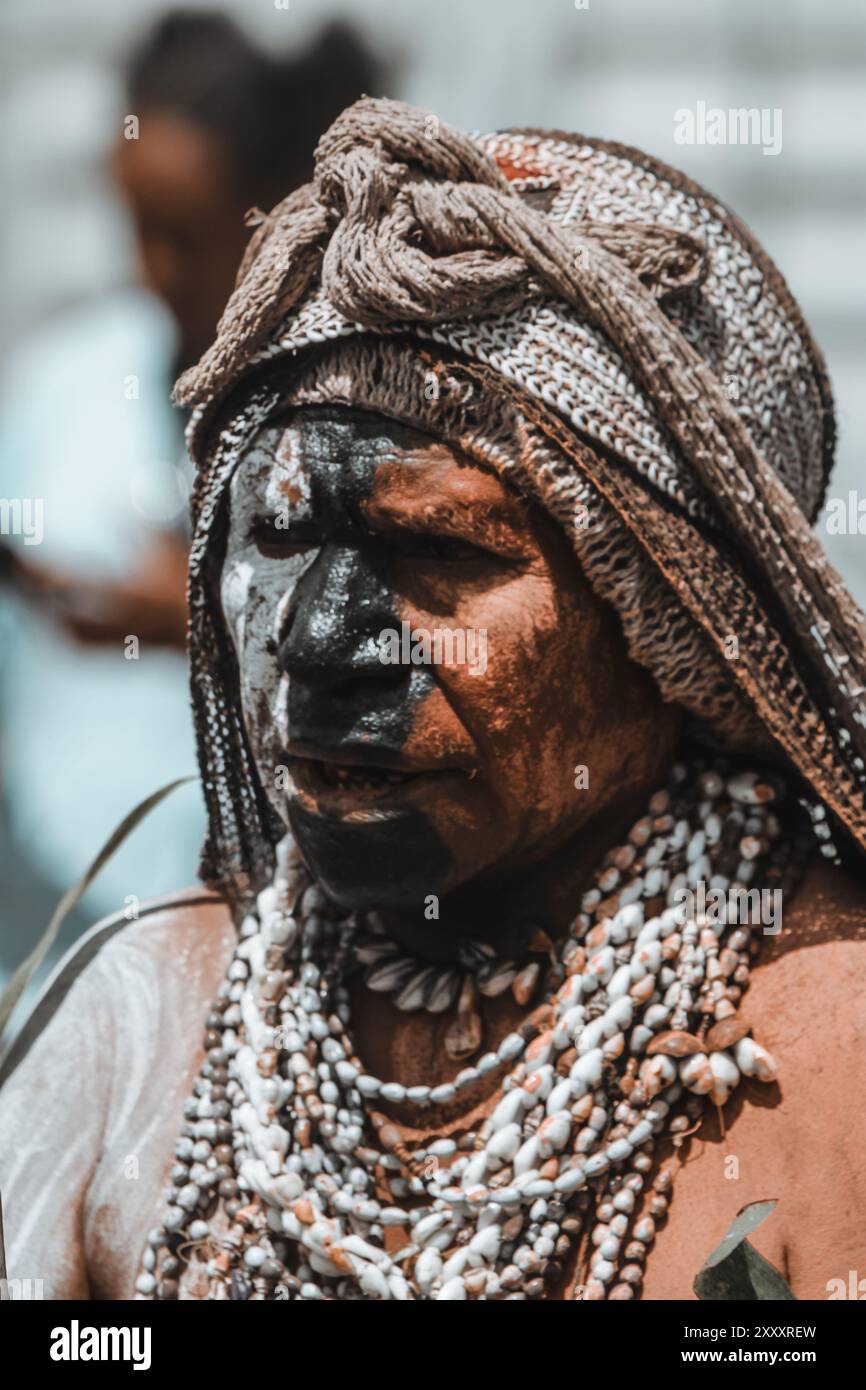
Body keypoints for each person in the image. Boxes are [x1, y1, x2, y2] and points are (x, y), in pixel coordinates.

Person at [2, 98, 866, 1302]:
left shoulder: (827, 1058)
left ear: (674, 636)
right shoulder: (139, 1018)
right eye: (283, 534)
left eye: (440, 552)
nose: (317, 640)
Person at [0, 14, 387, 951]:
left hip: (273, 942)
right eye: (133, 224)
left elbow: (406, 664)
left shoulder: (365, 408)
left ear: (275, 211)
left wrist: (191, 627)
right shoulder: (68, 380)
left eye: (182, 234)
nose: (147, 267)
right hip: (48, 932)